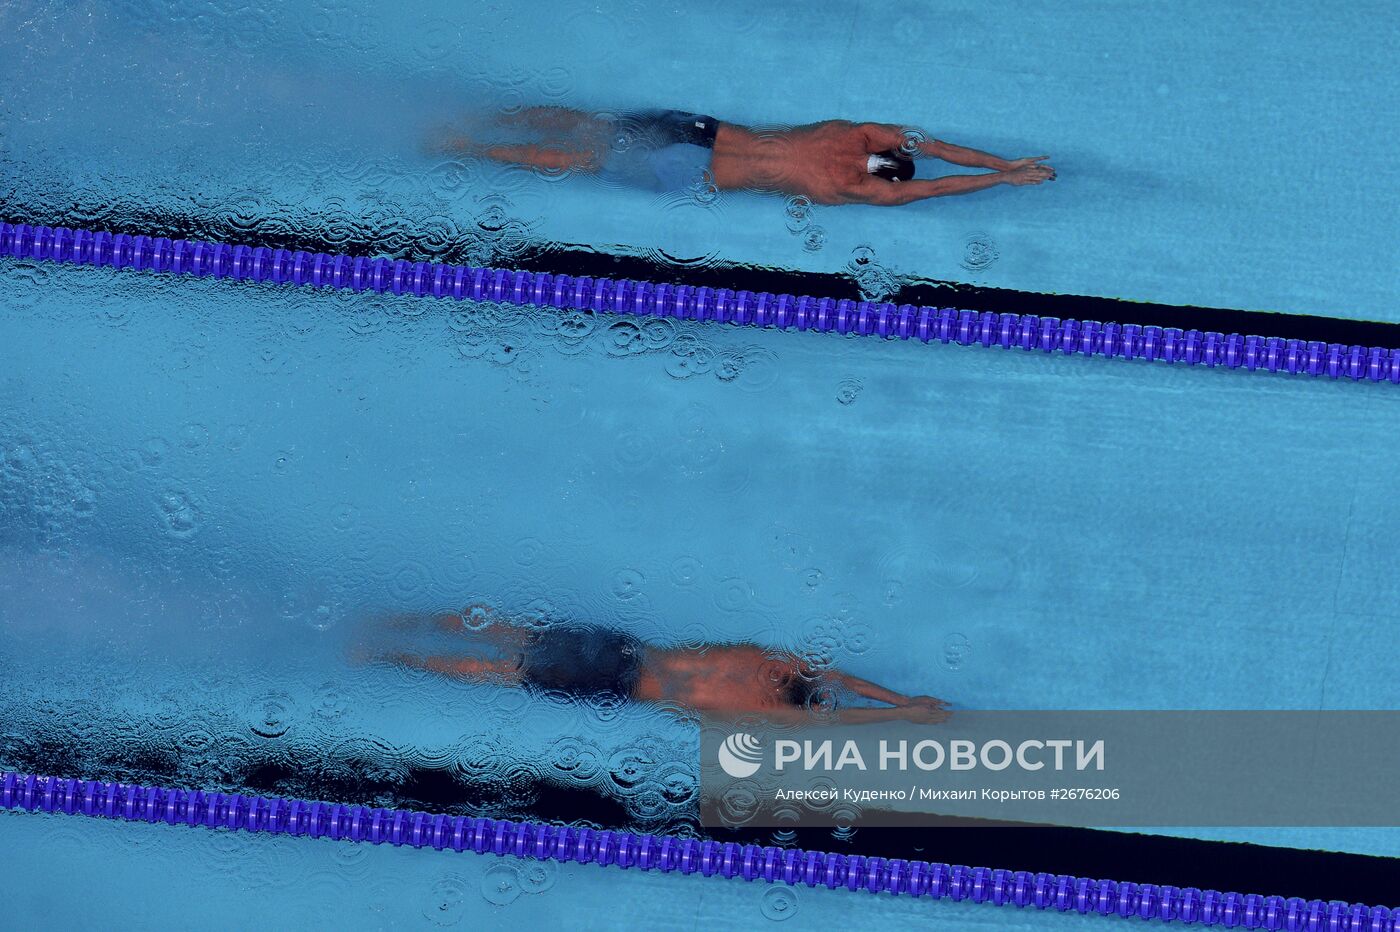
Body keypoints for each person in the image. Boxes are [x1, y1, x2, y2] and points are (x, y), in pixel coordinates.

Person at [359, 604, 951, 724]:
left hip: (619, 655)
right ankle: (391, 643)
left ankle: (394, 633)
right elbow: (840, 695)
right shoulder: (760, 707)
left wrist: (904, 704)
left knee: (509, 645)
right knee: (504, 661)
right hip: (622, 669)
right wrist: (906, 707)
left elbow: (837, 682)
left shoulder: (764, 673)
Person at [433, 106, 1054, 206]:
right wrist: (1003, 182)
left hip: (705, 133)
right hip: (698, 170)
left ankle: (494, 116)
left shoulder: (860, 133)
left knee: (593, 127)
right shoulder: (864, 192)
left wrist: (1005, 164)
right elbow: (937, 186)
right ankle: (474, 145)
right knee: (587, 160)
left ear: (886, 149)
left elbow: (938, 151)